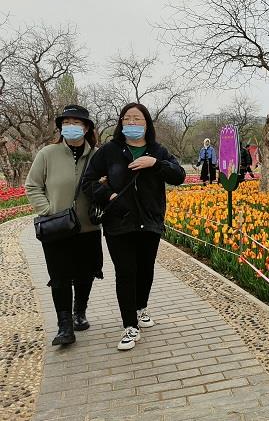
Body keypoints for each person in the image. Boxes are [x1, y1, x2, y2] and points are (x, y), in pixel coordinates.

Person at [82, 102, 185, 351]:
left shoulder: (157, 151)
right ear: (120, 123)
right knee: (126, 272)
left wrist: (156, 164)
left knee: (145, 270)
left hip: (150, 221)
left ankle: (140, 309)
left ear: (147, 123)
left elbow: (179, 176)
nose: (132, 123)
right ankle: (130, 326)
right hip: (119, 222)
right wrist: (108, 195)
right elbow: (88, 181)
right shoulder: (109, 151)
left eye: (137, 119)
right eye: (127, 118)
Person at [25, 105, 104, 346]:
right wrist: (49, 210)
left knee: (85, 273)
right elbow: (32, 186)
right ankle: (64, 326)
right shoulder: (47, 154)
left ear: (87, 127)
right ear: (60, 127)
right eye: (66, 123)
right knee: (59, 276)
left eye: (77, 123)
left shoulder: (97, 155)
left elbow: (110, 185)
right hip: (57, 228)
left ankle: (79, 311)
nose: (71, 127)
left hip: (88, 227)